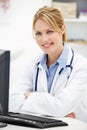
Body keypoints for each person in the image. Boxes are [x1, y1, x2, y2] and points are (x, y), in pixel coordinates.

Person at [9, 6, 87, 123]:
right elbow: (11, 101)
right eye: (38, 33)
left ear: (62, 29)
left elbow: (59, 107)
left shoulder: (81, 66)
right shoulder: (33, 63)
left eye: (49, 31)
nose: (44, 39)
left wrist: (29, 95)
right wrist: (55, 108)